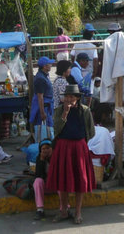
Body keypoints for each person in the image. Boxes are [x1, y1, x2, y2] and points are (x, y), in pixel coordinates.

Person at [47, 84, 95, 225]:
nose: (69, 99)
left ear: (78, 98)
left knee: (80, 180)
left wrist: (81, 143)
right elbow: (55, 129)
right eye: (67, 96)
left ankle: (78, 212)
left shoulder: (85, 111)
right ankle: (63, 211)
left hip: (79, 147)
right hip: (63, 147)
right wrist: (65, 114)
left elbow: (91, 131)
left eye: (72, 97)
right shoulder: (59, 110)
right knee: (62, 181)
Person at [30, 56, 55, 141]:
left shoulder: (44, 76)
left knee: (48, 129)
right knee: (45, 129)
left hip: (47, 106)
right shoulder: (40, 78)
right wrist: (42, 112)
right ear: (45, 66)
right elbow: (40, 97)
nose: (51, 65)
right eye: (49, 64)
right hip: (44, 108)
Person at [33, 138, 53, 220]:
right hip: (46, 186)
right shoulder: (39, 158)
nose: (46, 150)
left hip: (57, 186)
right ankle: (40, 210)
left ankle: (65, 208)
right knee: (38, 181)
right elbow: (38, 175)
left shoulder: (57, 157)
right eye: (43, 149)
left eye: (48, 148)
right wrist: (42, 160)